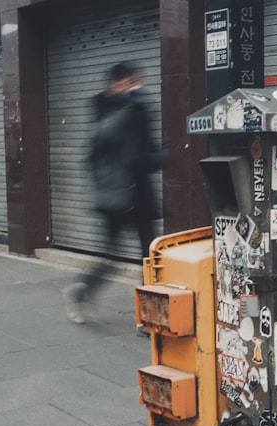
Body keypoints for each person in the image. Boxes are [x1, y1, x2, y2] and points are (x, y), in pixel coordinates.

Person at [66, 62, 167, 325]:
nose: (135, 88)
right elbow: (100, 151)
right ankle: (82, 291)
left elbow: (145, 152)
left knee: (149, 255)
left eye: (136, 82)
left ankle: (151, 313)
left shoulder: (139, 109)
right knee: (111, 255)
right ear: (116, 85)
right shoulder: (104, 110)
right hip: (116, 198)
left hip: (140, 195)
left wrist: (161, 158)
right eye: (129, 83)